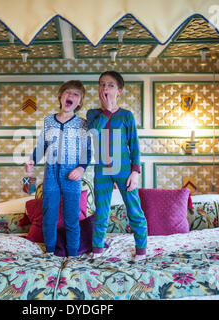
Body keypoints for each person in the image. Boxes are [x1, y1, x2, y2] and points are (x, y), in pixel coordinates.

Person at [25, 80, 91, 257]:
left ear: (80, 102)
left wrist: (81, 168)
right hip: (51, 172)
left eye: (76, 94)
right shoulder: (48, 121)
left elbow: (88, 150)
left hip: (72, 174)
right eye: (67, 93)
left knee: (71, 218)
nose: (71, 96)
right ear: (61, 97)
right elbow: (41, 145)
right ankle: (50, 252)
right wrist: (32, 160)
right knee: (50, 215)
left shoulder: (82, 124)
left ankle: (72, 255)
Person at [86, 71, 147, 261]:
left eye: (110, 85)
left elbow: (134, 145)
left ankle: (142, 250)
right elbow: (94, 132)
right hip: (102, 170)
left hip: (124, 168)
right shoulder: (93, 114)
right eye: (102, 84)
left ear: (119, 91)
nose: (105, 88)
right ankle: (97, 250)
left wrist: (135, 172)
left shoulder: (127, 116)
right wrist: (107, 109)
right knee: (102, 212)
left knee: (133, 209)